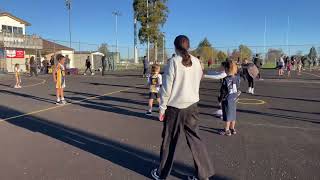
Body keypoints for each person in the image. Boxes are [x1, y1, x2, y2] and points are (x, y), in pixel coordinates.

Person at [151, 35, 214, 180]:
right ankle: (203, 175)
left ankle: (162, 173)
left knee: (169, 141)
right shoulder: (197, 62)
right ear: (189, 46)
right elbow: (199, 79)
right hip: (192, 107)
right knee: (195, 140)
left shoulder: (173, 62)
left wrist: (161, 109)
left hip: (175, 108)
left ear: (175, 47)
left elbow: (166, 89)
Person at [219, 61, 240, 136]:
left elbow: (223, 91)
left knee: (227, 114)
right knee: (233, 114)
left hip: (227, 99)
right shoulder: (237, 78)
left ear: (227, 69)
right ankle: (232, 128)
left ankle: (227, 129)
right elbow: (237, 88)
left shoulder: (225, 79)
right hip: (234, 97)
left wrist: (220, 99)